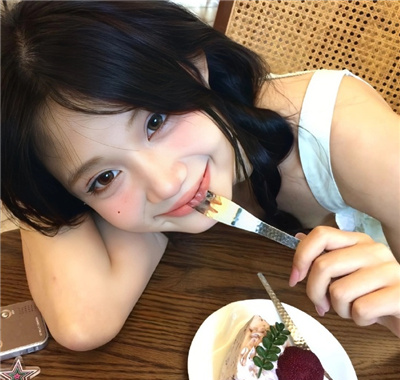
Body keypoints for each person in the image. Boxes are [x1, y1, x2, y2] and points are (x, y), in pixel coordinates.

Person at [2, 1, 399, 351]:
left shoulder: (348, 129)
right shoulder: (148, 197)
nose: (165, 184)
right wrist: (30, 178)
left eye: (156, 121)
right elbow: (84, 323)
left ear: (195, 66)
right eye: (104, 177)